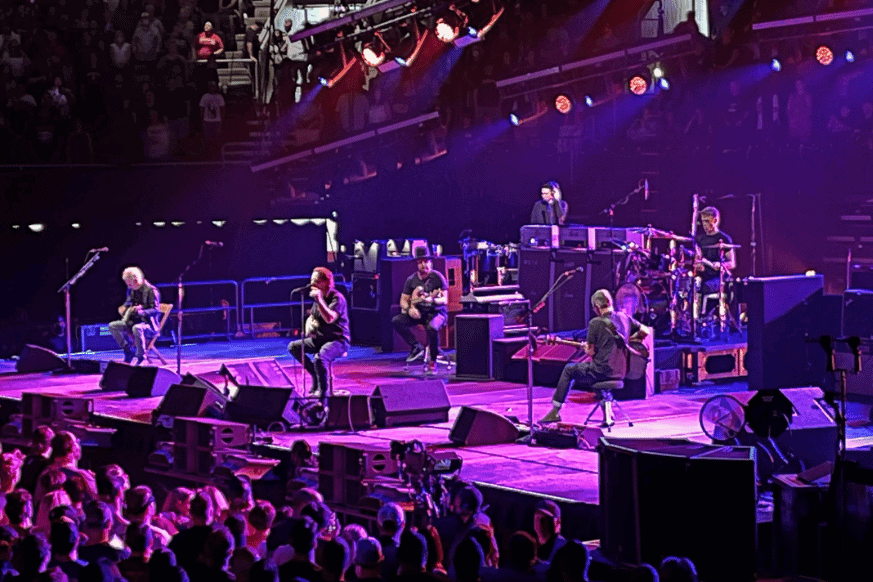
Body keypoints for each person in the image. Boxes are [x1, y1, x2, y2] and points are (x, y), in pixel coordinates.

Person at [540, 290, 647, 423]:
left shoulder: (595, 323)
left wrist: (587, 348)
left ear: (597, 306)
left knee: (569, 370)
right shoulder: (624, 317)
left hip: (602, 371)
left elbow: (591, 352)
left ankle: (555, 411)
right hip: (621, 371)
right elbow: (645, 330)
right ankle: (608, 414)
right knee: (598, 375)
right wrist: (629, 340)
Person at [287, 267, 350, 398]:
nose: (312, 284)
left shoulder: (337, 298)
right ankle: (315, 375)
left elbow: (330, 318)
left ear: (325, 282)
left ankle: (323, 395)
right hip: (320, 338)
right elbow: (315, 318)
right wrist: (310, 325)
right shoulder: (317, 299)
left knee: (320, 358)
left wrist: (320, 299)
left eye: (315, 281)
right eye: (311, 281)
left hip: (338, 340)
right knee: (294, 347)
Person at [391, 248, 448, 373]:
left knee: (432, 327)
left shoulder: (438, 277)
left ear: (431, 263)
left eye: (427, 261)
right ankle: (416, 346)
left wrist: (432, 301)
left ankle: (433, 360)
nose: (425, 265)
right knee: (396, 320)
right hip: (420, 313)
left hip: (437, 312)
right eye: (421, 262)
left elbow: (444, 299)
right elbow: (403, 300)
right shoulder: (411, 280)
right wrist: (409, 309)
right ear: (417, 264)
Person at [108, 267, 161, 365]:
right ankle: (128, 350)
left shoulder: (151, 290)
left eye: (130, 284)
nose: (129, 286)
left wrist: (141, 312)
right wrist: (124, 307)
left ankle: (142, 357)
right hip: (132, 321)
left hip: (148, 324)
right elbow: (129, 302)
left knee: (137, 328)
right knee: (113, 326)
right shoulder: (131, 290)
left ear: (136, 280)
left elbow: (156, 310)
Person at [694, 206, 735, 297]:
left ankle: (704, 311)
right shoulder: (700, 239)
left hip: (719, 277)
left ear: (715, 221)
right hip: (704, 275)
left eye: (707, 221)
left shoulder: (724, 239)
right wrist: (698, 265)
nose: (704, 224)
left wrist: (720, 265)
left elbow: (732, 263)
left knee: (705, 287)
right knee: (689, 285)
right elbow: (697, 259)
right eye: (703, 221)